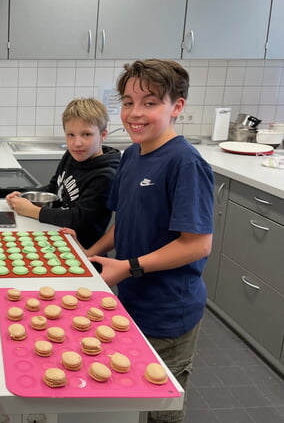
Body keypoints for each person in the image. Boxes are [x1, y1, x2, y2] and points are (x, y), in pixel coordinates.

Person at [85, 59, 214, 423]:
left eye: (150, 102)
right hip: (129, 300)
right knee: (125, 397)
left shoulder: (185, 163)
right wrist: (86, 255)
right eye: (128, 102)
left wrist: (128, 268)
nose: (135, 113)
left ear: (177, 106)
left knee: (161, 405)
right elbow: (122, 222)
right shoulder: (131, 155)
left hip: (167, 309)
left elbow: (196, 244)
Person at [6, 98, 120, 250]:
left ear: (103, 135)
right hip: (56, 237)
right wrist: (24, 196)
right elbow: (54, 188)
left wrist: (33, 211)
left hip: (80, 249)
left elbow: (76, 219)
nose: (77, 143)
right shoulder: (71, 155)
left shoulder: (105, 175)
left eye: (86, 134)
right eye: (70, 135)